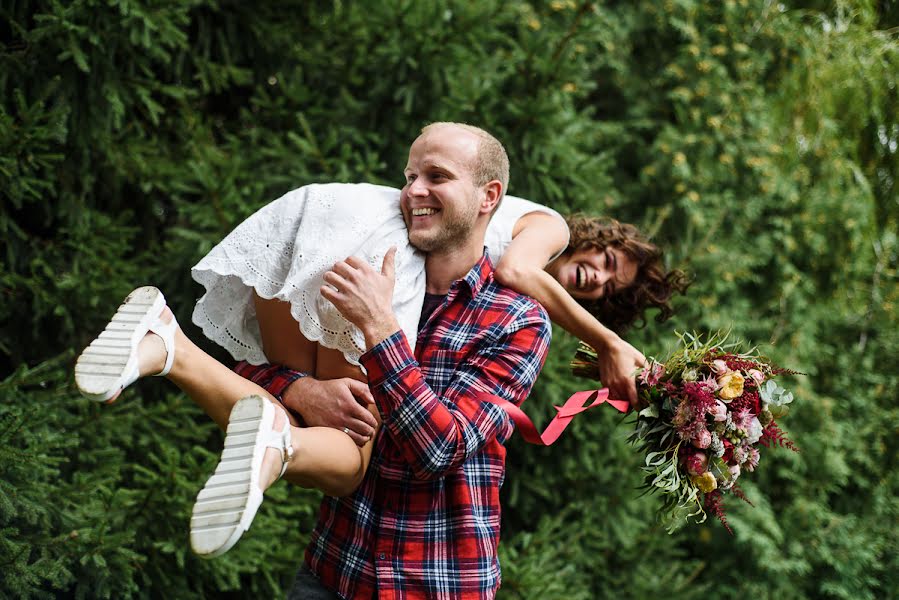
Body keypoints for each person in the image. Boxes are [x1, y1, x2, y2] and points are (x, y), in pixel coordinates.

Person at [74, 123, 683, 573]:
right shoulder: (522, 237)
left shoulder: (516, 321)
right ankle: (279, 445)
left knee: (303, 417)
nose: (597, 279)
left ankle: (167, 344)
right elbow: (523, 270)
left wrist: (303, 389)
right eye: (604, 262)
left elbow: (437, 444)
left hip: (420, 573)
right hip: (347, 563)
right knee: (345, 455)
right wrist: (609, 343)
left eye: (609, 289)